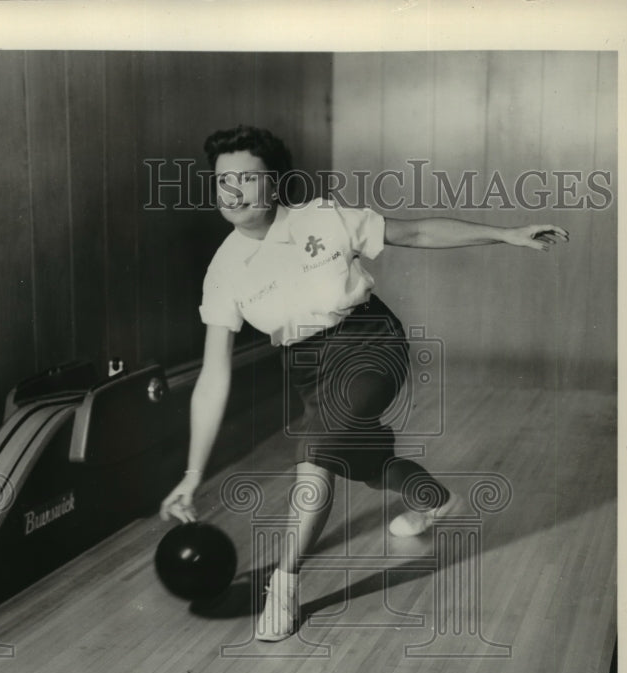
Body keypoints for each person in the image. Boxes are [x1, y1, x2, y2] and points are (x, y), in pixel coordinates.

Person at [160, 125, 569, 641]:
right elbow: (213, 375)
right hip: (307, 367)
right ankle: (432, 498)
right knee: (366, 464)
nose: (233, 191)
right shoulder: (223, 272)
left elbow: (416, 232)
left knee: (317, 451)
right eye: (222, 181)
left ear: (276, 183)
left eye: (247, 178)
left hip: (370, 342)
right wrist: (194, 473)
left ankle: (284, 587)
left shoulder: (323, 218)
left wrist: (505, 234)